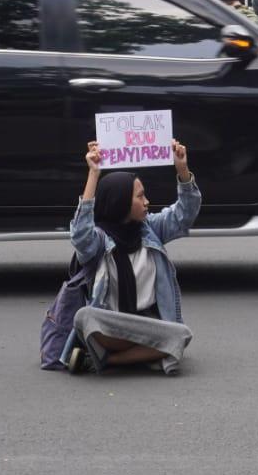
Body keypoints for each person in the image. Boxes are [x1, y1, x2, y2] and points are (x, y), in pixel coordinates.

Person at [64, 139, 200, 375]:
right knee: (85, 317)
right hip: (113, 325)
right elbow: (80, 236)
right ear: (120, 202)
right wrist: (93, 174)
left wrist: (182, 170)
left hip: (149, 323)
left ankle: (105, 360)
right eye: (140, 196)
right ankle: (146, 352)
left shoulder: (150, 229)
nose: (147, 202)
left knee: (181, 334)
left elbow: (183, 215)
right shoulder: (99, 240)